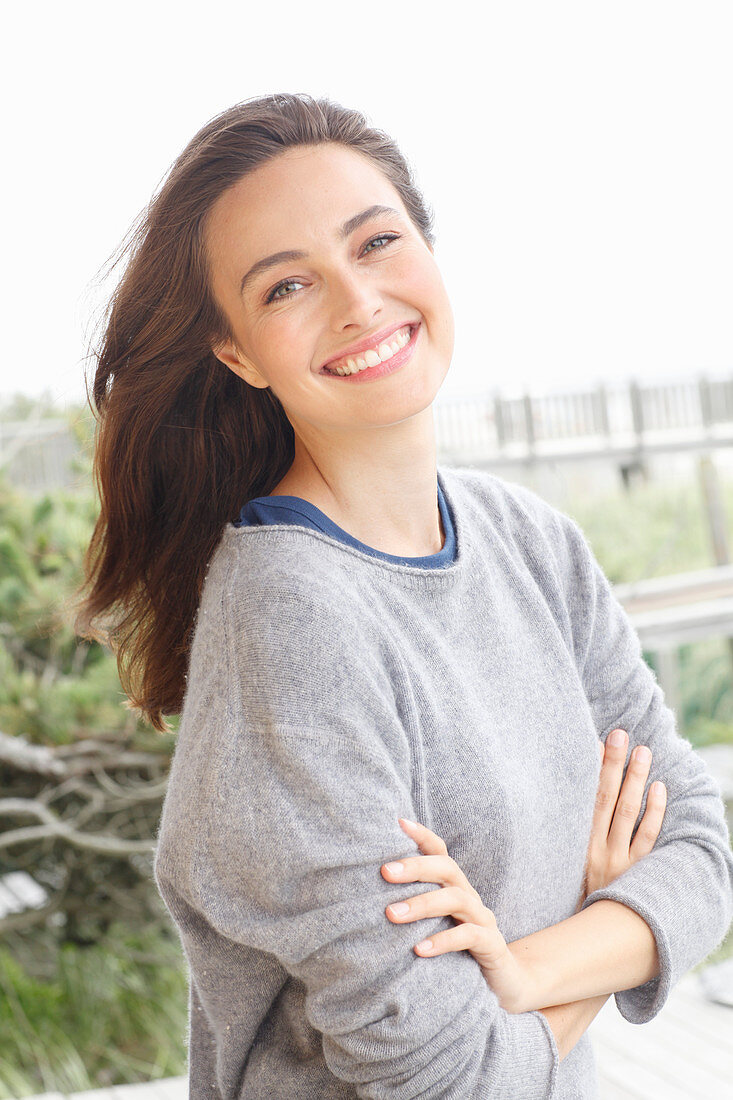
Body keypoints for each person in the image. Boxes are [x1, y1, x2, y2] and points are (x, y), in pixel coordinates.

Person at [74, 92, 733, 1098]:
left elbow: (697, 844)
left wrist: (526, 965)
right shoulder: (288, 620)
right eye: (287, 284)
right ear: (238, 352)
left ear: (427, 245)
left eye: (375, 241)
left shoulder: (529, 541)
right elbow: (450, 1075)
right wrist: (607, 928)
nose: (355, 299)